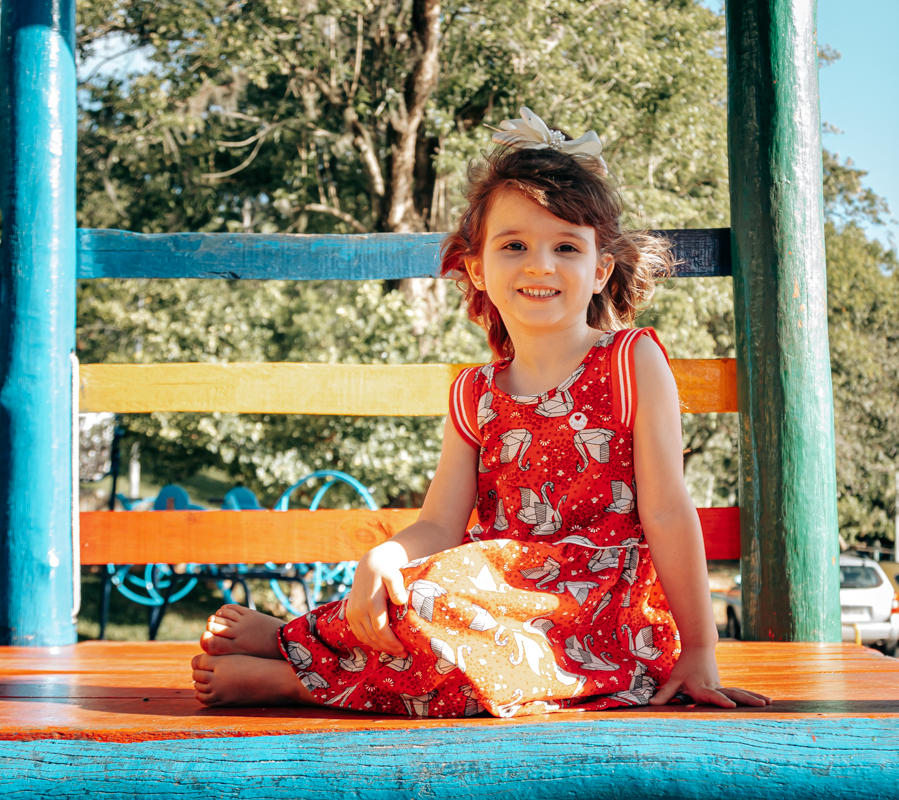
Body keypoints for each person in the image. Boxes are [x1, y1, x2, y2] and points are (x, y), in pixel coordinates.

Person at [191, 108, 770, 717]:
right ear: (477, 268)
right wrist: (384, 554)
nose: (540, 264)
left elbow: (667, 508)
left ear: (600, 270)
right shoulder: (475, 393)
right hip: (493, 594)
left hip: (600, 614)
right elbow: (440, 525)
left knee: (450, 614)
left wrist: (700, 647)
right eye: (514, 244)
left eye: (565, 247)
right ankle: (302, 639)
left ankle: (291, 672)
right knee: (414, 590)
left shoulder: (630, 362)